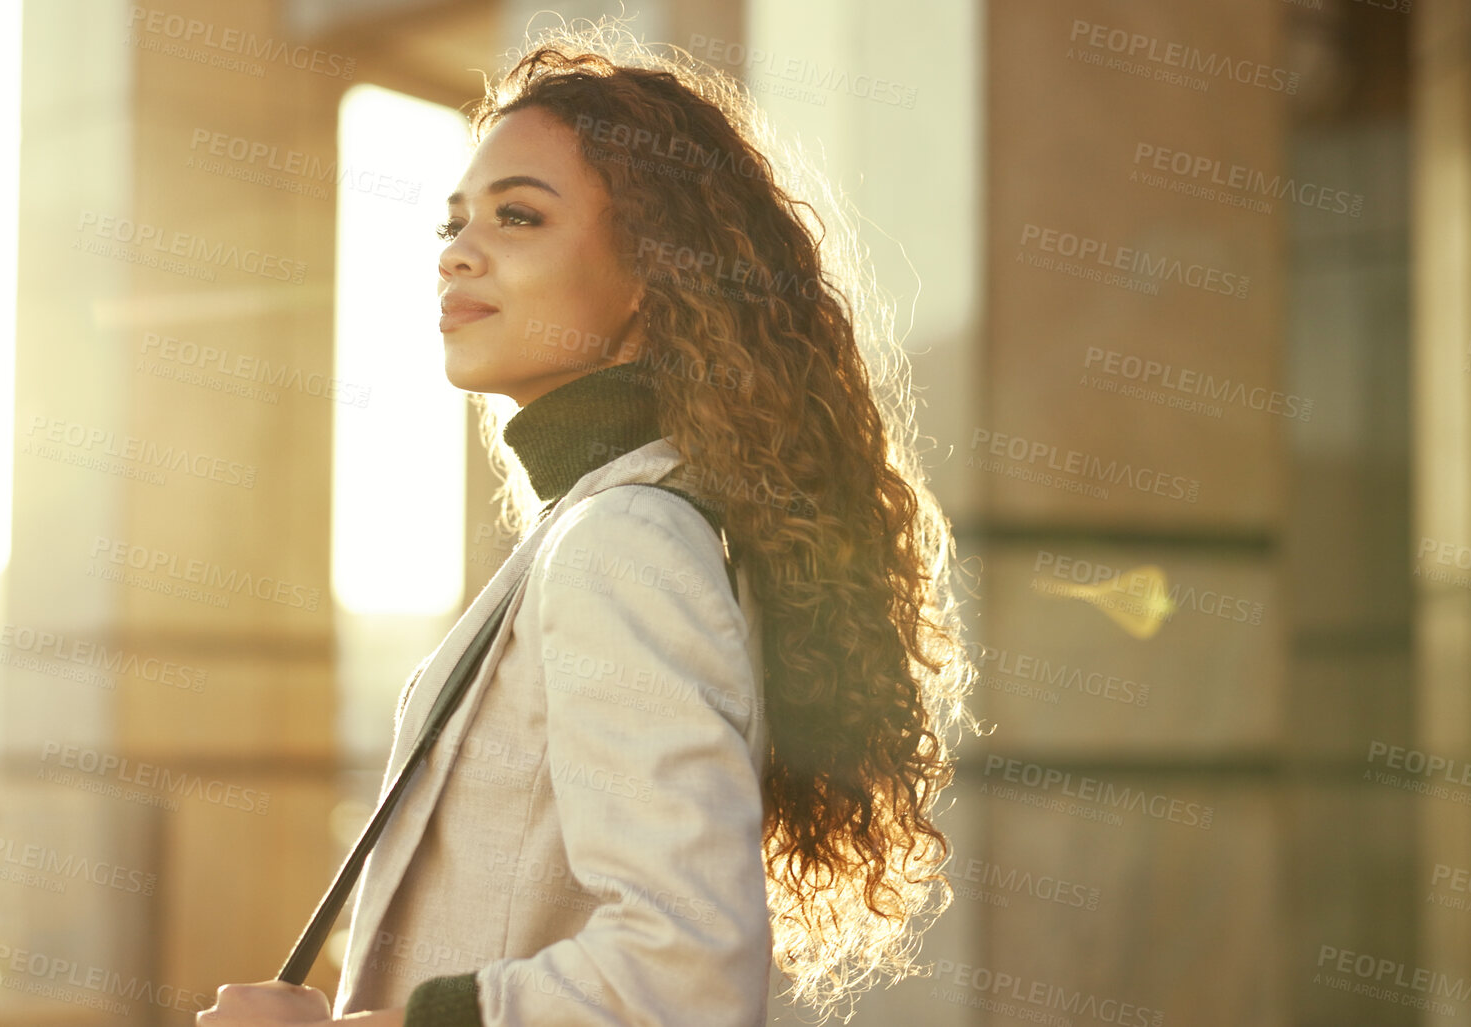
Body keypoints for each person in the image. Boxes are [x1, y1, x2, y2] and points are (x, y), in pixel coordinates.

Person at [198, 18, 978, 1027]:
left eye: (517, 218)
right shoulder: (617, 522)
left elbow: (685, 972)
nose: (458, 255)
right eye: (453, 224)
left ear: (657, 275)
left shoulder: (623, 544)